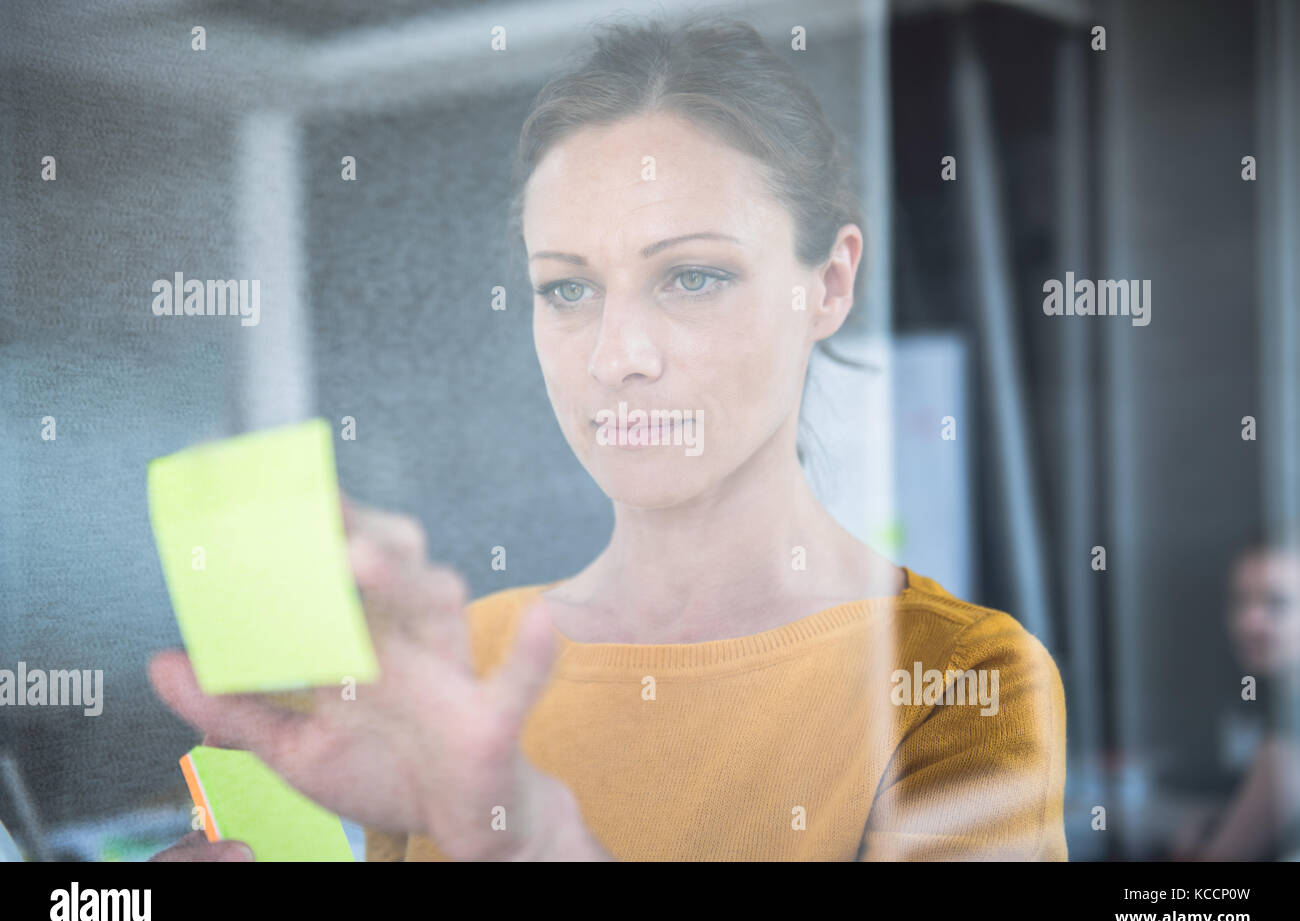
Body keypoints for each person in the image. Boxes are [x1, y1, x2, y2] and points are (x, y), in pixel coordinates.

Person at [149, 14, 1066, 862]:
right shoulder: (462, 668)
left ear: (827, 285)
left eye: (692, 277)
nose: (617, 356)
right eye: (568, 289)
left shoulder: (960, 683)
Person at [1170, 537, 1300, 861]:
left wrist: (1188, 849)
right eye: (1241, 601)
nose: (1250, 621)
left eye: (1276, 603)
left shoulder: (1287, 749)